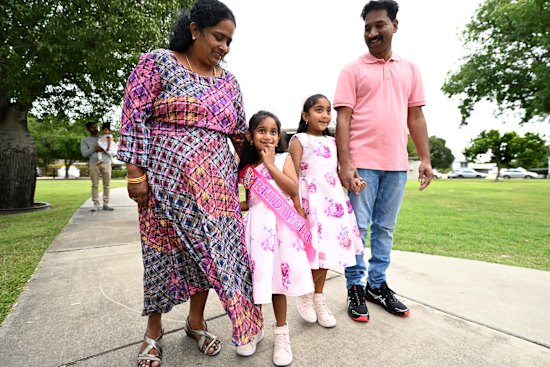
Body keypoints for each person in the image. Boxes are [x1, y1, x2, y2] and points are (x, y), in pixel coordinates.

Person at [117, 1, 263, 366]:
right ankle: (153, 331)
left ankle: (196, 323)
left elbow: (239, 136)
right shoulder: (158, 61)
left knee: (214, 256)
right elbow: (134, 116)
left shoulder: (229, 82)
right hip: (164, 185)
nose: (224, 48)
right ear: (195, 29)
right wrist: (136, 173)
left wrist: (260, 172)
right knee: (161, 256)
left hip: (217, 189)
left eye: (229, 42)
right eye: (218, 37)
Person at [334, 0, 433, 322]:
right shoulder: (352, 69)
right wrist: (346, 164)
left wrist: (425, 159)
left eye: (379, 25)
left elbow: (415, 117)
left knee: (385, 229)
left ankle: (377, 285)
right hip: (362, 163)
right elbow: (343, 120)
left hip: (396, 164)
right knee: (358, 228)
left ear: (395, 26)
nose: (373, 33)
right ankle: (355, 287)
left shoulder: (410, 69)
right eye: (367, 28)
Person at [238, 111, 314, 366]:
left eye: (273, 131)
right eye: (261, 131)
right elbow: (251, 202)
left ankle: (281, 333)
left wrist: (271, 164)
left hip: (281, 230)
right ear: (250, 136)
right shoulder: (246, 169)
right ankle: (253, 328)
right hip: (256, 231)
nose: (268, 136)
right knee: (255, 282)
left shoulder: (283, 159)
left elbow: (293, 189)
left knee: (277, 285)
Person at [288, 94, 366, 327]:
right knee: (312, 251)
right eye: (318, 110)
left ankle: (319, 298)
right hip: (310, 202)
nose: (325, 115)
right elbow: (292, 175)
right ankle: (305, 294)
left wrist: (353, 182)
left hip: (332, 203)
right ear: (305, 116)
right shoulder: (299, 140)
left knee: (327, 252)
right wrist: (297, 207)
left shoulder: (333, 143)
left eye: (328, 110)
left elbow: (341, 173)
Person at [80, 121, 114, 212]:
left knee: (107, 185)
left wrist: (105, 149)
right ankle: (96, 204)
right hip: (94, 164)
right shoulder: (85, 140)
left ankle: (106, 204)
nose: (95, 129)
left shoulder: (105, 137)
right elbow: (84, 153)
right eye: (92, 127)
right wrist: (94, 148)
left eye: (96, 127)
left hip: (106, 162)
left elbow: (113, 150)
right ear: (88, 129)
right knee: (95, 185)